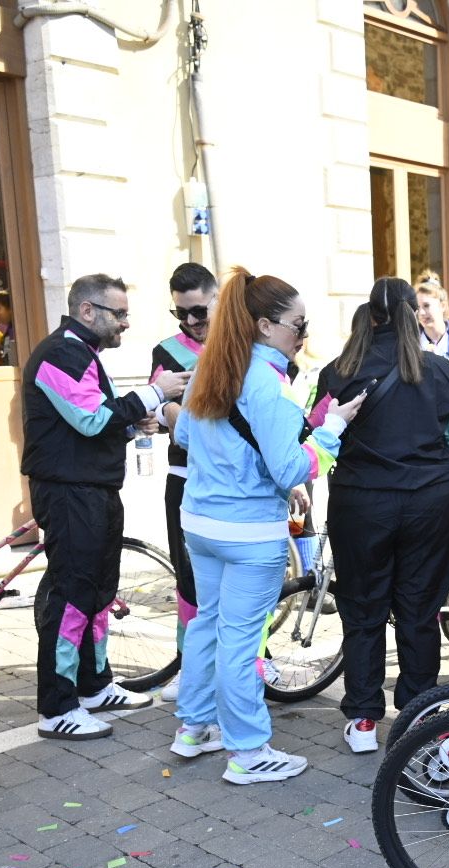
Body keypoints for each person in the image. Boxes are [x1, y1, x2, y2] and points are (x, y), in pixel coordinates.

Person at [171, 268, 357, 781]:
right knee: (237, 639)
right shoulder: (269, 385)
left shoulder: (212, 364)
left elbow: (184, 434)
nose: (304, 334)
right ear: (264, 325)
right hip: (249, 531)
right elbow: (290, 467)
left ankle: (194, 728)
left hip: (202, 522)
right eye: (299, 324)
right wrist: (331, 431)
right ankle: (249, 752)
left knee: (208, 624)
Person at [20, 273, 189, 739]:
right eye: (119, 314)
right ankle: (56, 708)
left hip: (92, 489)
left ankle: (94, 685)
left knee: (98, 592)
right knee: (73, 596)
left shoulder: (81, 353)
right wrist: (156, 393)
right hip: (69, 492)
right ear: (88, 311)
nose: (125, 324)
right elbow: (91, 420)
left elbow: (91, 420)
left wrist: (136, 426)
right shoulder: (60, 353)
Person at [310, 278, 449, 753]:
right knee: (420, 609)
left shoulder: (336, 372)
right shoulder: (440, 371)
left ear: (367, 317)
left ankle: (362, 719)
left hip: (360, 503)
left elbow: (319, 434)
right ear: (410, 315)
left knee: (362, 608)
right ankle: (419, 717)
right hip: (427, 501)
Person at [149, 262, 218, 702]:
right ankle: (190, 666)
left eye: (198, 311)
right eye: (181, 313)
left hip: (236, 482)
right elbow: (153, 413)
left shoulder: (244, 341)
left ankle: (256, 660)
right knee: (189, 578)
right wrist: (167, 411)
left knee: (241, 581)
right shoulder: (167, 351)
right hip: (185, 477)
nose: (191, 322)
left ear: (217, 299)